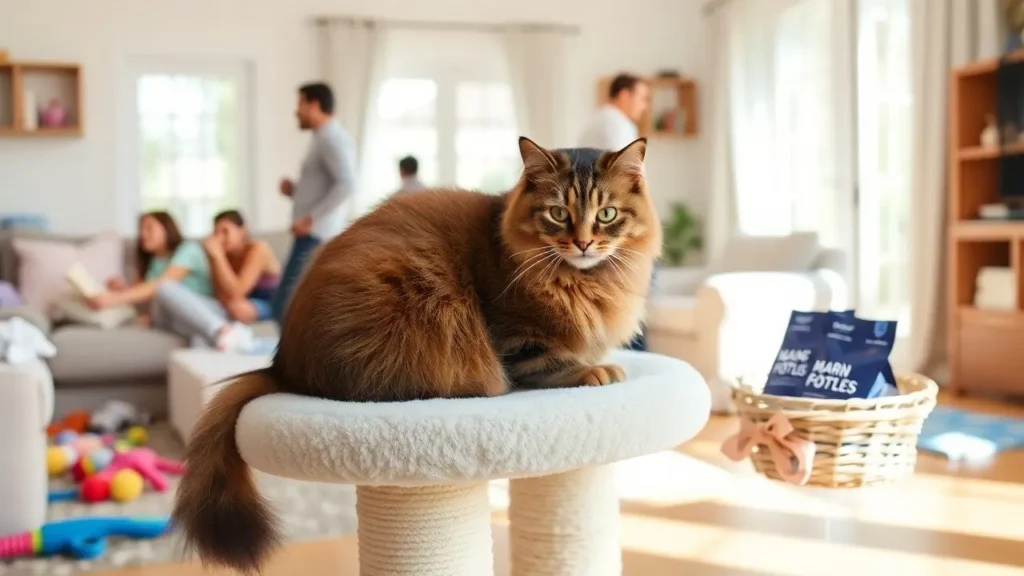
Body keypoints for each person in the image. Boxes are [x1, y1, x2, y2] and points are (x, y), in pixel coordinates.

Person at [578, 73, 652, 351]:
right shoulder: (617, 125)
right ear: (624, 95)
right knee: (633, 300)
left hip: (596, 228)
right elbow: (627, 187)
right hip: (610, 227)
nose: (643, 106)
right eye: (641, 98)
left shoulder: (594, 123)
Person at [275, 82, 357, 326]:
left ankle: (291, 362)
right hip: (312, 234)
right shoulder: (322, 138)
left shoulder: (331, 138)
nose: (296, 111)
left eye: (299, 104)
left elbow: (347, 183)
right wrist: (296, 191)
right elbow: (328, 184)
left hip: (316, 235)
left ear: (314, 105)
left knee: (285, 305)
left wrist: (312, 219)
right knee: (288, 305)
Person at [150, 210, 282, 352]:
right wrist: (216, 258)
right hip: (230, 308)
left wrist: (218, 257)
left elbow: (237, 293)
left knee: (238, 307)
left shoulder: (258, 249)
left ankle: (220, 332)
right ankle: (220, 332)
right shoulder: (220, 255)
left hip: (269, 304)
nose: (220, 238)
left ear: (243, 231)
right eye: (216, 233)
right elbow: (220, 298)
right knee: (166, 290)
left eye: (225, 231)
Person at [86, 211, 212, 321]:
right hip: (170, 317)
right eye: (141, 230)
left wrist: (116, 298)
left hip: (201, 312)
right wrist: (122, 289)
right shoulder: (152, 262)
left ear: (167, 229)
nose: (143, 235)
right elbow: (140, 295)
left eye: (149, 228)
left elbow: (162, 286)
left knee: (165, 288)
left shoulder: (189, 250)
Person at [577, 73, 650, 151]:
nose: (645, 107)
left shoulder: (601, 119)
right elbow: (622, 162)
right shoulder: (619, 125)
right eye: (642, 99)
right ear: (624, 95)